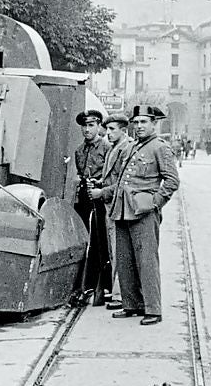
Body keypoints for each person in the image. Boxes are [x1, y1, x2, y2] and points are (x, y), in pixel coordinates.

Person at [109, 105, 179, 326]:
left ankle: (153, 309)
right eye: (136, 122)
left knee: (147, 261)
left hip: (144, 213)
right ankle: (132, 305)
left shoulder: (160, 148)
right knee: (125, 261)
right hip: (123, 210)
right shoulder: (131, 147)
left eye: (144, 122)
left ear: (153, 124)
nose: (139, 126)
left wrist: (154, 203)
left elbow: (172, 181)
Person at [94, 112, 133, 310]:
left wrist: (102, 191)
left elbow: (122, 182)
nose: (107, 133)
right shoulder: (114, 148)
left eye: (112, 129)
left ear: (123, 130)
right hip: (110, 205)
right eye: (107, 129)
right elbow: (112, 176)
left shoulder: (126, 149)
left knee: (119, 251)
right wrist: (101, 182)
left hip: (119, 206)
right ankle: (117, 291)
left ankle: (121, 295)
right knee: (112, 249)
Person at [73, 109, 111, 306]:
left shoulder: (107, 148)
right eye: (84, 126)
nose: (86, 130)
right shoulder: (79, 151)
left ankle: (104, 287)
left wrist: (99, 183)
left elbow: (112, 175)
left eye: (91, 125)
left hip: (101, 200)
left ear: (98, 126)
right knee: (86, 241)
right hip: (85, 199)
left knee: (101, 243)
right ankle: (85, 285)